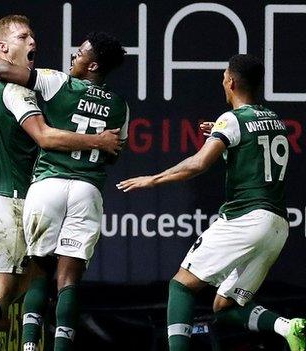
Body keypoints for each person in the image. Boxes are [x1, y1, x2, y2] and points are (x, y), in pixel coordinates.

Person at [0, 16, 122, 351]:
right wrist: (97, 141)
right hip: (11, 194)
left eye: (32, 35)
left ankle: (1, 327)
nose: (32, 43)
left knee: (27, 280)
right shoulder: (16, 91)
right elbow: (43, 136)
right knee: (4, 288)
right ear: (3, 47)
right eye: (23, 37)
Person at [117, 54, 305, 351]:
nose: (222, 81)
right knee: (224, 306)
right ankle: (289, 327)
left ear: (230, 82)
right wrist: (220, 134)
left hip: (245, 218)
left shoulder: (232, 119)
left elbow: (199, 164)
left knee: (181, 285)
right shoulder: (275, 121)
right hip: (278, 226)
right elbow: (253, 150)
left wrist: (152, 179)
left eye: (223, 77)